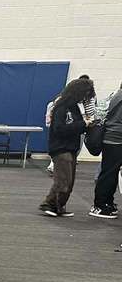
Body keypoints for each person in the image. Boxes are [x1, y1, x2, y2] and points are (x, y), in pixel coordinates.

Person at [39, 77, 94, 218]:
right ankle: (49, 204)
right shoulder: (61, 107)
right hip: (61, 148)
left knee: (69, 182)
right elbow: (59, 129)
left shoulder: (74, 107)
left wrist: (87, 125)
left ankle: (58, 206)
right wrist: (83, 125)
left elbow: (74, 127)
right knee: (63, 180)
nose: (85, 97)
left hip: (71, 147)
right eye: (85, 93)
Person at [90, 82, 122, 219]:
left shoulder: (117, 95)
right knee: (109, 174)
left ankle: (105, 203)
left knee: (109, 173)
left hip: (112, 139)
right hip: (116, 140)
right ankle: (101, 205)